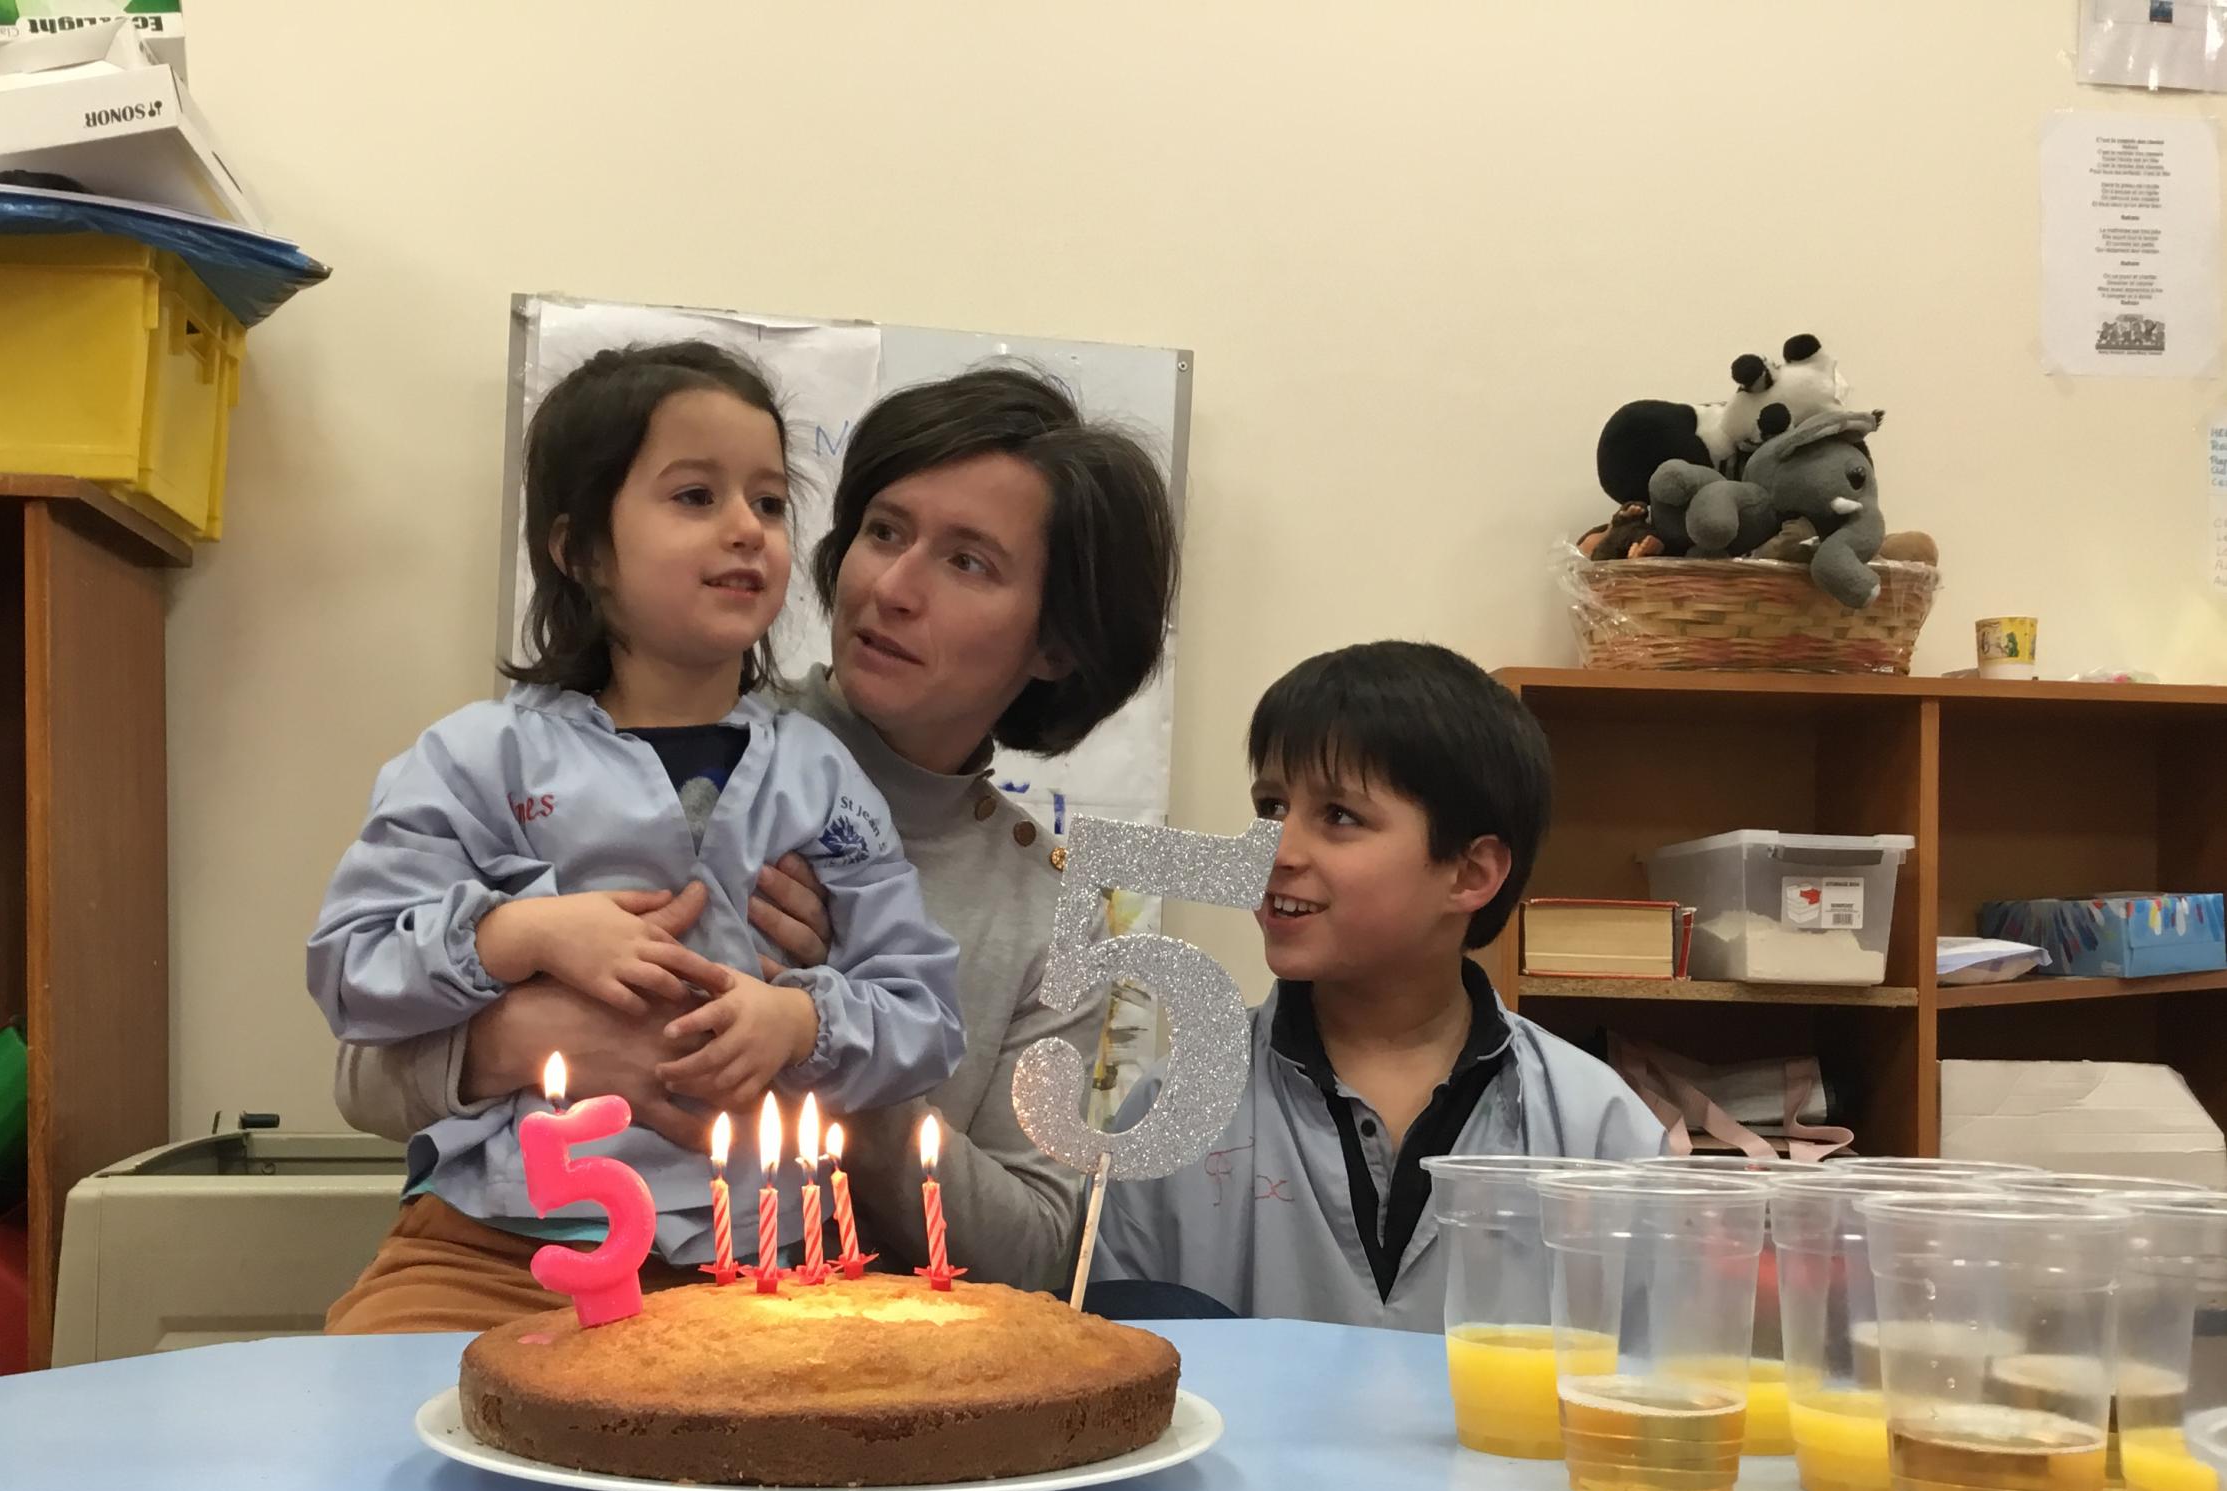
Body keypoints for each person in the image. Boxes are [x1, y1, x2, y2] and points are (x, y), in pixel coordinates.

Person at [330, 365, 1180, 1322]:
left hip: (786, 1295)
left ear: (1057, 643)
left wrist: (817, 1041)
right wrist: (543, 1034)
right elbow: (363, 1072)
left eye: (969, 562)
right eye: (883, 531)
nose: (893, 587)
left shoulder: (1054, 915)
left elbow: (1035, 1253)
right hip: (517, 1250)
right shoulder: (651, 721)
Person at [1090, 641, 1664, 1329]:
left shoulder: (1594, 1128)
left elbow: (1653, 1371)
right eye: (1271, 807)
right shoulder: (1173, 1107)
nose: (1275, 851)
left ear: (1470, 874)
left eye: (1339, 815)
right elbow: (1115, 1361)